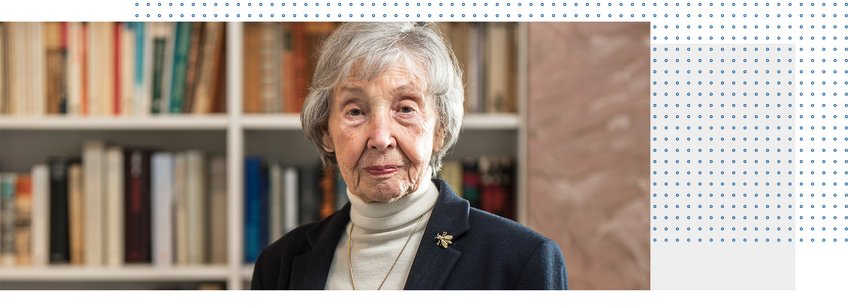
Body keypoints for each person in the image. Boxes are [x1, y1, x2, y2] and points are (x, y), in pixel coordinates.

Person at [251, 22, 567, 290]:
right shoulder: (279, 267)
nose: (381, 138)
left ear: (440, 129)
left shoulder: (521, 261)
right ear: (325, 132)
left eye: (405, 109)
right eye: (356, 111)